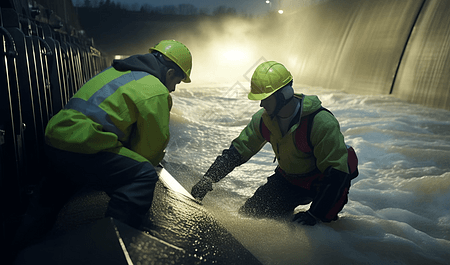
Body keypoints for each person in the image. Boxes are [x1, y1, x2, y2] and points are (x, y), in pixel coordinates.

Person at [17, 39, 193, 240]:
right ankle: (115, 240)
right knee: (143, 174)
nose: (174, 89)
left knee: (46, 204)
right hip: (86, 144)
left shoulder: (117, 72)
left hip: (58, 139)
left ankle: (19, 248)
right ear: (170, 73)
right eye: (176, 82)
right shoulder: (155, 90)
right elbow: (150, 149)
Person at [191, 61, 357, 226]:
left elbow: (336, 172)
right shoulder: (263, 120)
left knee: (321, 228)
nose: (261, 104)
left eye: (265, 99)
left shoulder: (320, 122)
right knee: (249, 215)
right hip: (289, 180)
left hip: (327, 182)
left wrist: (314, 214)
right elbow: (238, 152)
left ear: (283, 95)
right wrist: (209, 178)